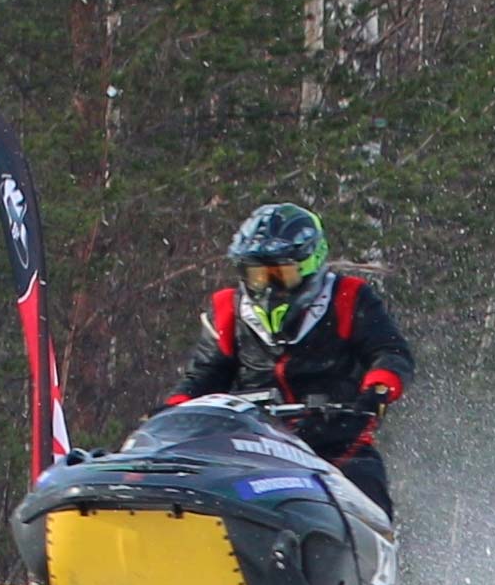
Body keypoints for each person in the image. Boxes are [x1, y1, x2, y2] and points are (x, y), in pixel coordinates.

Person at [164, 203, 414, 513]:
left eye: (281, 274)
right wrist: (171, 413)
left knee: (366, 484)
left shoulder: (349, 297)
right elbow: (203, 375)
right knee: (188, 479)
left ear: (313, 263)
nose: (269, 288)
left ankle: (374, 551)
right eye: (258, 276)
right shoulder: (228, 310)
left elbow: (389, 351)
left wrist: (375, 392)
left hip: (333, 441)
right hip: (247, 445)